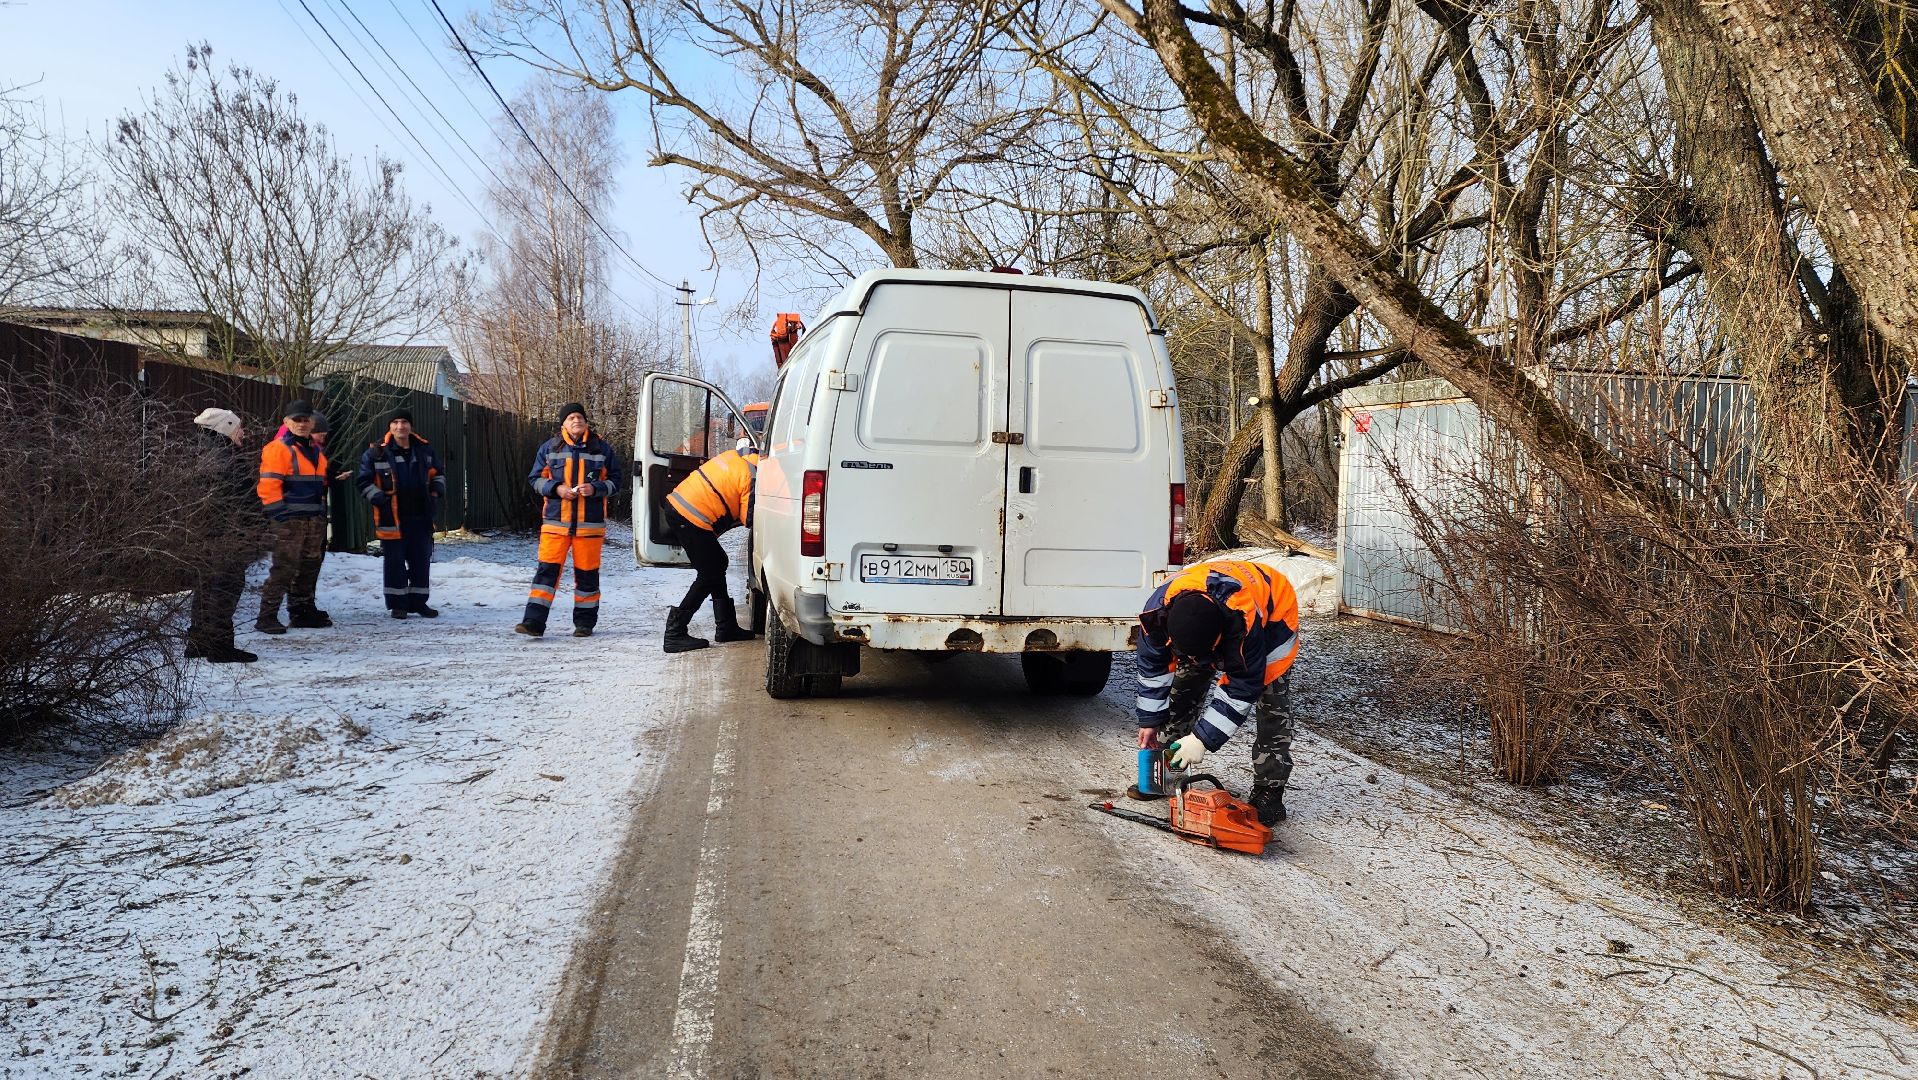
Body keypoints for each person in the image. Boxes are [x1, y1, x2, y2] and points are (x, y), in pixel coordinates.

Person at [1133, 560, 1300, 825]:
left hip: (1272, 617)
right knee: (1185, 685)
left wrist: (1202, 739)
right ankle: (1169, 769)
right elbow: (1153, 669)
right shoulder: (1157, 614)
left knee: (1271, 699)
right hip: (1205, 616)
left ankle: (1270, 790)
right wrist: (1150, 720)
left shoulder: (1243, 624)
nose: (1194, 658)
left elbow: (1241, 688)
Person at [516, 403, 622, 638]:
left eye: (580, 417)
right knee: (546, 574)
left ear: (586, 422)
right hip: (555, 525)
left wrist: (595, 488)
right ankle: (533, 622)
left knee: (587, 576)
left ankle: (584, 624)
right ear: (563, 423)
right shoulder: (549, 447)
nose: (576, 420)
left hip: (590, 528)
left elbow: (616, 481)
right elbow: (535, 480)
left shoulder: (602, 449)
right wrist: (557, 488)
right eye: (571, 417)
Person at [661, 445, 760, 653]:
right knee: (710, 572)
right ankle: (675, 632)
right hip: (689, 515)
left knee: (718, 562)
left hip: (680, 506)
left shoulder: (738, 457)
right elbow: (749, 519)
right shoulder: (753, 477)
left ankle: (726, 626)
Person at [186, 408, 259, 663]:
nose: (242, 432)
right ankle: (220, 646)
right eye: (238, 427)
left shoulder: (198, 454)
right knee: (226, 587)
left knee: (205, 585)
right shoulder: (227, 460)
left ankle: (197, 642)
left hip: (202, 535)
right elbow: (243, 500)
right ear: (225, 428)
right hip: (225, 536)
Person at [357, 408, 445, 618]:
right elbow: (363, 481)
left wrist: (436, 492)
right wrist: (379, 498)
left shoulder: (424, 450)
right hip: (392, 517)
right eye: (395, 422)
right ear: (390, 426)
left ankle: (418, 602)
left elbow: (438, 474)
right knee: (395, 562)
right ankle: (398, 605)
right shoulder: (376, 452)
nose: (400, 426)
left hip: (421, 516)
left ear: (410, 425)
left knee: (421, 561)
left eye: (404, 422)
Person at [255, 399, 331, 634]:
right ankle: (266, 617)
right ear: (286, 422)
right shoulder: (278, 449)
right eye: (296, 420)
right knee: (284, 568)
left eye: (305, 419)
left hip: (313, 520)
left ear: (312, 422)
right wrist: (280, 518)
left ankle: (301, 612)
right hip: (289, 521)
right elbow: (268, 486)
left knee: (309, 567)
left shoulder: (315, 451)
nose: (301, 423)